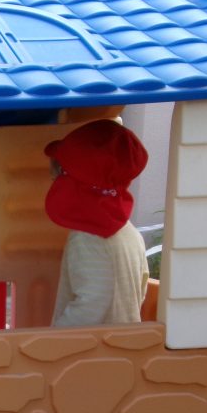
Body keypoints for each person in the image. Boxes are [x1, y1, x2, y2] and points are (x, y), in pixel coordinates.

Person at [45, 119, 150, 327]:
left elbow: (91, 305)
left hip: (92, 346)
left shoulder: (87, 239)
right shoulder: (130, 233)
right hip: (125, 341)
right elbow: (142, 287)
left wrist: (53, 338)